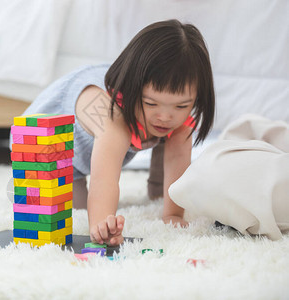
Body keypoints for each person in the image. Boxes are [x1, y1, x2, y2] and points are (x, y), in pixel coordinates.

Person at [13, 19, 215, 246]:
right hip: (47, 149)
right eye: (151, 103)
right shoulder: (110, 116)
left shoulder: (172, 118)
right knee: (69, 209)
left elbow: (179, 159)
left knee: (175, 132)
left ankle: (157, 188)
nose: (166, 117)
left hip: (101, 139)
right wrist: (100, 225)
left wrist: (173, 214)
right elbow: (104, 181)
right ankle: (20, 185)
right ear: (132, 89)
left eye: (181, 106)